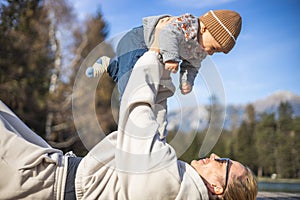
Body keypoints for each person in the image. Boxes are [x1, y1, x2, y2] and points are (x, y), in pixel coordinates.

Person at [0, 10, 258, 200]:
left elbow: (138, 113)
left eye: (223, 161)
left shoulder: (172, 180)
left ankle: (109, 64)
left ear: (217, 187)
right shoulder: (181, 187)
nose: (214, 155)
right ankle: (110, 64)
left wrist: (156, 57)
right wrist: (173, 78)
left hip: (45, 179)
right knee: (128, 76)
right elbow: (156, 131)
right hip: (56, 172)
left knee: (130, 87)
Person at [86, 9, 242, 99]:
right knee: (130, 85)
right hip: (139, 42)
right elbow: (168, 33)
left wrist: (187, 81)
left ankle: (110, 65)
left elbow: (193, 65)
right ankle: (129, 116)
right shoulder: (188, 24)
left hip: (152, 54)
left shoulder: (200, 50)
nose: (211, 53)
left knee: (136, 79)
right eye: (214, 47)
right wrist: (172, 57)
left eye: (217, 52)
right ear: (205, 29)